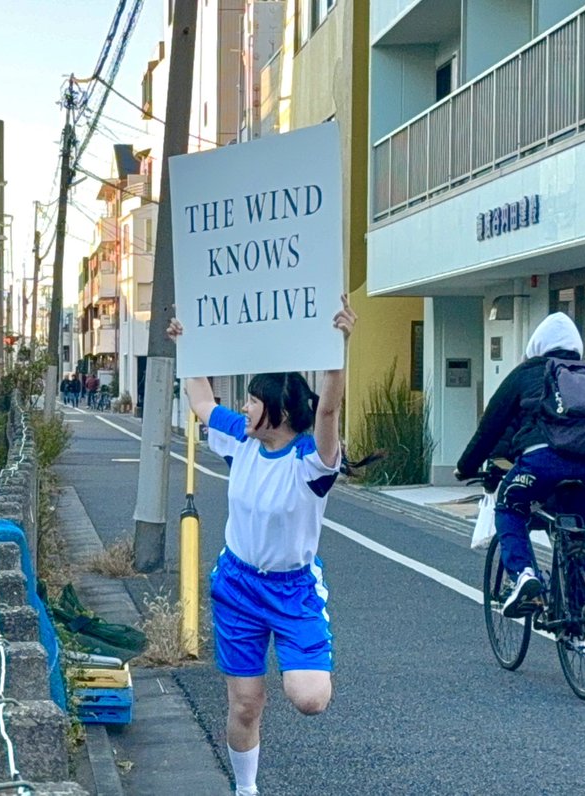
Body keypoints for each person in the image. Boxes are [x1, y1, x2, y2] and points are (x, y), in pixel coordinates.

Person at [167, 295, 356, 796]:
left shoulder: (313, 460)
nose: (244, 407)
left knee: (309, 697)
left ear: (277, 410)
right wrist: (190, 344)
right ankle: (245, 790)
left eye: (253, 400)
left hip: (293, 589)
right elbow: (202, 402)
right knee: (245, 702)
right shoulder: (242, 437)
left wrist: (339, 352)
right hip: (238, 585)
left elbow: (330, 409)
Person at [454, 312, 585, 620]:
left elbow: (491, 427)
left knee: (509, 506)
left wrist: (466, 467)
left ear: (538, 345)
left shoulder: (527, 373)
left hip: (542, 462)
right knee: (576, 529)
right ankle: (583, 616)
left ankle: (524, 576)